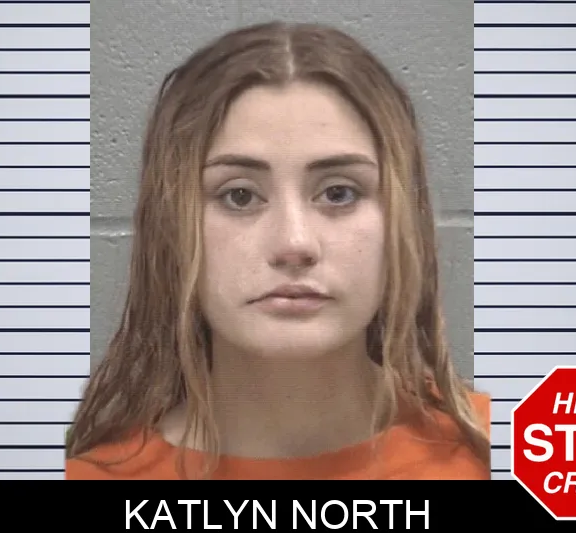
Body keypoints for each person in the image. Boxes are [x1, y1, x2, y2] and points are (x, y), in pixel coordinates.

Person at [66, 21, 489, 480]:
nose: (294, 244)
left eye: (339, 193)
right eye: (239, 196)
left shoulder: (524, 455)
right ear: (170, 228)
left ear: (402, 222)